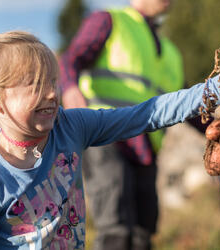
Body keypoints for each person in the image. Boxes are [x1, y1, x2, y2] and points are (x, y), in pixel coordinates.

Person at [0, 30, 220, 249]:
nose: (50, 93)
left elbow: (146, 114)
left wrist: (217, 88)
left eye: (51, 81)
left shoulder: (71, 127)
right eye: (33, 83)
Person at [58, 0, 209, 249]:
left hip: (145, 149)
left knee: (143, 232)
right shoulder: (109, 21)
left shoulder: (171, 53)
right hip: (105, 140)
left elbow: (189, 106)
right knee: (116, 229)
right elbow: (70, 59)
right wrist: (71, 87)